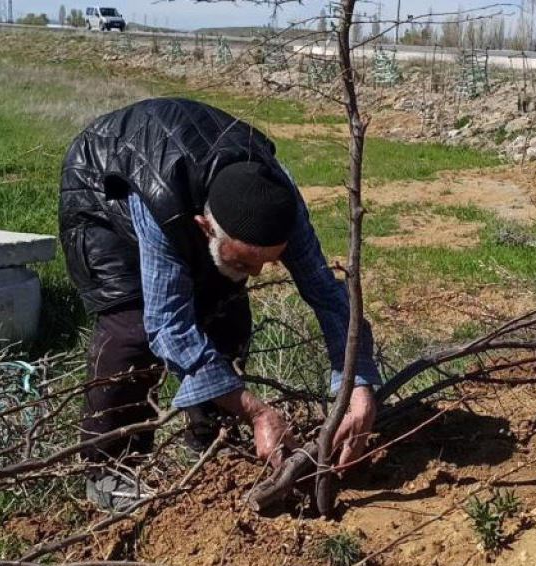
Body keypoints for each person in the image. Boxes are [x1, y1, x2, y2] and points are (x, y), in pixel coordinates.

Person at [58, 97, 381, 511]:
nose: (260, 273)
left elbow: (327, 292)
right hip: (104, 185)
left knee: (226, 311)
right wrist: (260, 413)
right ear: (204, 226)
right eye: (248, 260)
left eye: (269, 260)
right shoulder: (162, 206)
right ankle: (110, 469)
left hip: (188, 177)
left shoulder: (279, 205)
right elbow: (168, 323)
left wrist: (357, 385)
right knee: (132, 330)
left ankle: (209, 439)